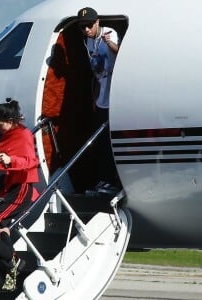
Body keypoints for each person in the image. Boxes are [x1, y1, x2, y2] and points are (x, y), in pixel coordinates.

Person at [77, 7, 120, 194]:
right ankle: (104, 181)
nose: (86, 29)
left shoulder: (110, 33)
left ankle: (112, 180)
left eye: (89, 25)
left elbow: (120, 54)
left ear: (97, 22)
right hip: (102, 97)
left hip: (116, 95)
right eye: (82, 27)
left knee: (111, 142)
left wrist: (110, 44)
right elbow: (95, 73)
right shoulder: (88, 41)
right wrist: (94, 97)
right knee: (101, 143)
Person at [0, 98, 39, 234]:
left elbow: (32, 161)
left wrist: (11, 160)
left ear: (10, 121)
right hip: (5, 187)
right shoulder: (5, 135)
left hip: (20, 187)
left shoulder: (23, 135)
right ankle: (6, 254)